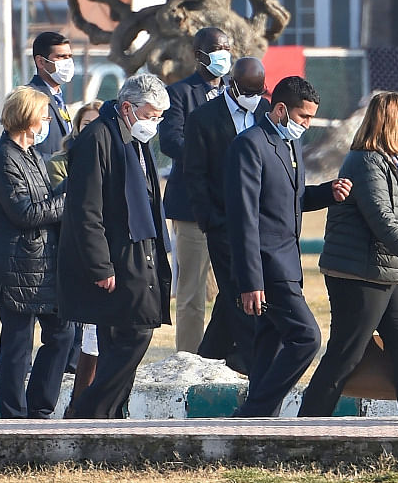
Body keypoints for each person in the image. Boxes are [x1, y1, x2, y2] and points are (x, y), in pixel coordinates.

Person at [298, 92, 398, 417]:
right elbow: (384, 221)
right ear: (392, 124)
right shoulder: (364, 162)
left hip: (391, 269)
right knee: (346, 354)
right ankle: (305, 427)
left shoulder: (392, 162)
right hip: (359, 274)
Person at [225, 75, 351, 418]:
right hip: (267, 266)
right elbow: (244, 218)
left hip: (288, 263)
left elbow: (292, 200)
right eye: (303, 117)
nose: (307, 125)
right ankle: (254, 413)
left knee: (270, 343)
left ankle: (259, 421)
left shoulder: (290, 144)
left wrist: (328, 192)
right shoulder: (250, 145)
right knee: (307, 338)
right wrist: (251, 281)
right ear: (280, 109)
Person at [58, 74, 173, 419]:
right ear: (127, 108)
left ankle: (105, 416)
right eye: (151, 116)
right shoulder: (99, 138)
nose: (154, 124)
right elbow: (85, 211)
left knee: (120, 337)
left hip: (139, 248)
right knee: (135, 331)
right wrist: (100, 266)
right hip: (115, 256)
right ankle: (88, 411)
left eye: (159, 118)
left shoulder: (132, 138)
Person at [0, 86, 74, 419]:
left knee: (61, 332)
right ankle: (14, 415)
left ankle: (40, 407)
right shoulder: (3, 158)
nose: (47, 121)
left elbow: (43, 200)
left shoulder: (30, 155)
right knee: (18, 344)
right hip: (15, 265)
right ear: (26, 117)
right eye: (42, 115)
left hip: (40, 263)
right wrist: (67, 200)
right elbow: (25, 212)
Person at [185, 56, 267, 374]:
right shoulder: (204, 118)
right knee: (240, 290)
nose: (254, 96)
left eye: (259, 90)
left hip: (263, 222)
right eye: (248, 90)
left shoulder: (264, 111)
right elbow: (195, 174)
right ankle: (249, 362)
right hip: (224, 223)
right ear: (232, 85)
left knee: (236, 292)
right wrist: (211, 221)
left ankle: (209, 356)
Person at [161, 26, 233, 354]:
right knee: (192, 292)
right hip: (192, 208)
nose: (223, 55)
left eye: (227, 48)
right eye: (217, 49)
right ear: (198, 54)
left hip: (232, 206)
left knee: (231, 288)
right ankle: (188, 359)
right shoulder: (179, 94)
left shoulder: (235, 93)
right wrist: (210, 156)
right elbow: (171, 141)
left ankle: (224, 354)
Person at [49, 100, 102, 408]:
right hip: (70, 248)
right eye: (86, 125)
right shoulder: (61, 160)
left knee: (94, 331)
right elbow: (64, 201)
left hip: (99, 251)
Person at [28, 31, 75, 161]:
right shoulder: (31, 97)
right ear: (41, 62)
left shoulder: (58, 97)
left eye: (69, 56)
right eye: (60, 57)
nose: (68, 62)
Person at [48, 101, 102, 187]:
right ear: (78, 127)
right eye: (86, 124)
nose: (92, 129)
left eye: (97, 123)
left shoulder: (118, 160)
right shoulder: (58, 163)